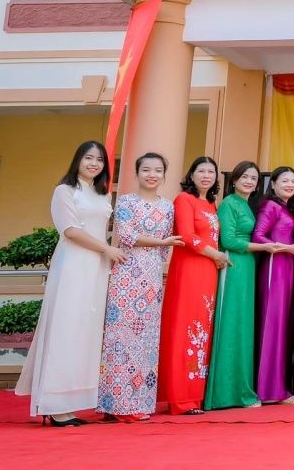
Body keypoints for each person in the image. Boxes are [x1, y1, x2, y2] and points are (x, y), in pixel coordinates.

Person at [17, 141, 121, 425]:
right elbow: (71, 230)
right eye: (88, 158)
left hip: (97, 267)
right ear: (77, 160)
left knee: (85, 333)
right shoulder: (64, 191)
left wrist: (110, 252)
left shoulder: (103, 195)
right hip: (73, 265)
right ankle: (53, 404)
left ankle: (71, 403)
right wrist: (106, 249)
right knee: (65, 330)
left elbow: (104, 230)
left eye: (99, 160)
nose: (94, 164)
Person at [98, 152, 181, 422]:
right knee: (120, 339)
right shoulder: (125, 201)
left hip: (152, 278)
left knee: (146, 341)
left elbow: (165, 244)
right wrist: (161, 243)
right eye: (146, 170)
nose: (152, 175)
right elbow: (126, 236)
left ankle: (137, 403)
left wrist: (161, 247)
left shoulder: (167, 206)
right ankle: (116, 404)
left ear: (164, 175)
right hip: (126, 274)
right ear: (137, 173)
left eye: (158, 170)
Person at [206, 162, 289, 410]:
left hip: (248, 265)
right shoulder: (229, 204)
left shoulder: (247, 205)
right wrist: (265, 246)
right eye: (244, 177)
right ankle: (224, 394)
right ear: (234, 180)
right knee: (231, 325)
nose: (249, 181)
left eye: (253, 178)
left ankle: (241, 389)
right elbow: (228, 240)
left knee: (243, 326)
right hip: (233, 264)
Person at [159, 156, 231, 415]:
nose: (206, 175)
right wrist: (216, 254)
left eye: (211, 172)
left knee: (201, 329)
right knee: (185, 328)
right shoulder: (184, 200)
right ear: (191, 174)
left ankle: (195, 396)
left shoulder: (211, 204)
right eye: (201, 171)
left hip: (208, 271)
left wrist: (216, 258)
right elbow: (187, 236)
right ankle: (180, 398)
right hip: (189, 269)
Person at [252, 167, 294, 405]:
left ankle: (278, 386)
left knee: (283, 325)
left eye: (293, 180)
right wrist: (288, 248)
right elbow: (258, 236)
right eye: (284, 180)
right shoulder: (270, 206)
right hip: (274, 268)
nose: (290, 184)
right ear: (273, 184)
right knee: (272, 325)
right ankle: (268, 390)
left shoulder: (285, 208)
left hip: (287, 268)